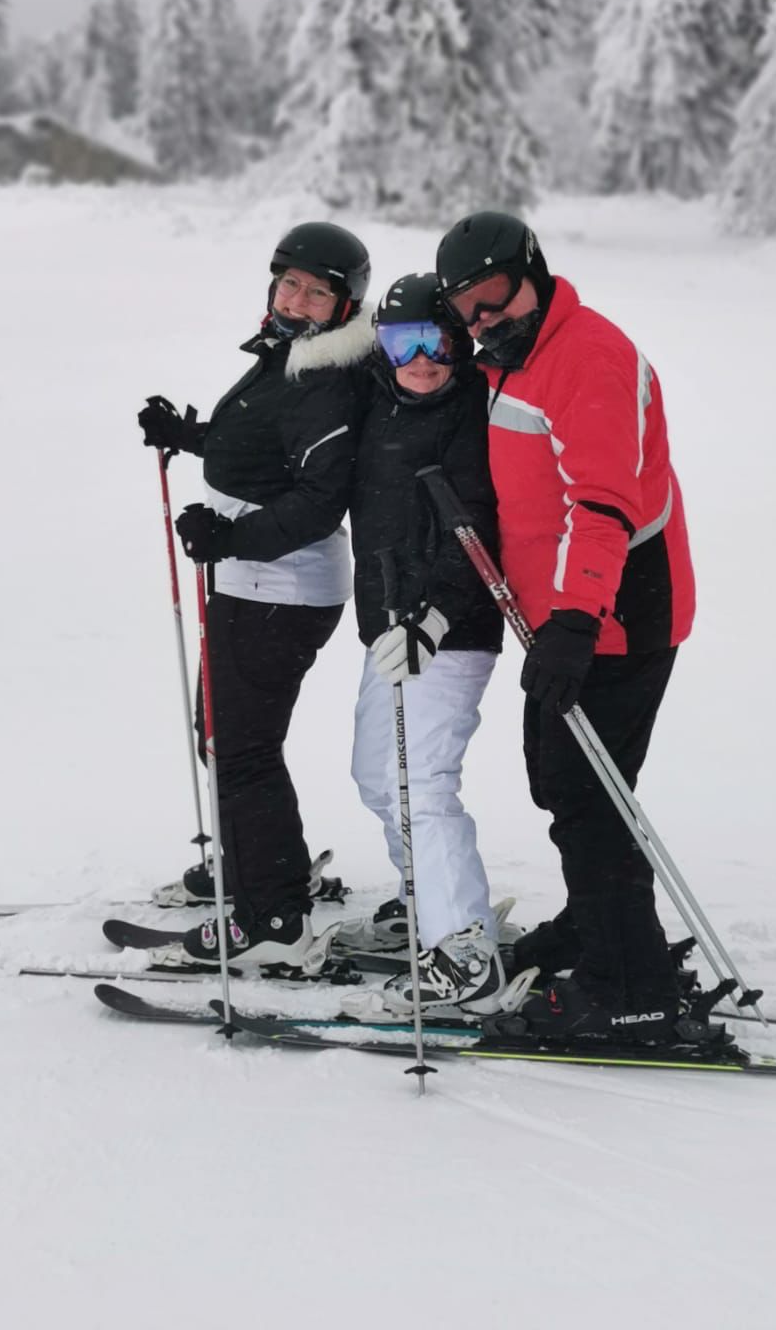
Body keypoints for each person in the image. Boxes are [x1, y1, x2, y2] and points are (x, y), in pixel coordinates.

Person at [434, 211, 696, 1043]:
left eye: (495, 296)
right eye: (466, 308)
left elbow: (602, 504)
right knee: (563, 782)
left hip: (618, 612)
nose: (484, 319)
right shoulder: (512, 359)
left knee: (589, 798)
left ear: (534, 274)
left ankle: (630, 991)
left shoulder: (586, 356)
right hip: (564, 614)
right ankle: (597, 927)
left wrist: (578, 618)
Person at [136, 222, 374, 970]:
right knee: (224, 736)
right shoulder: (290, 356)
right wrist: (193, 436)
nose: (296, 300)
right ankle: (261, 868)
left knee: (239, 746)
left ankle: (272, 919)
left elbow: (318, 500)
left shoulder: (326, 380)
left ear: (344, 306)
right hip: (255, 579)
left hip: (281, 587)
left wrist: (230, 538)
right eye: (289, 284)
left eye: (317, 293)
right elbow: (265, 447)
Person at [335, 273, 506, 1016]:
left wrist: (433, 618)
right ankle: (424, 901)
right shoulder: (372, 401)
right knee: (377, 776)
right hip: (388, 626)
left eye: (437, 341)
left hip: (451, 630)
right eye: (404, 342)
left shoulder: (474, 413)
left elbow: (480, 530)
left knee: (422, 784)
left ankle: (465, 949)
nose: (423, 360)